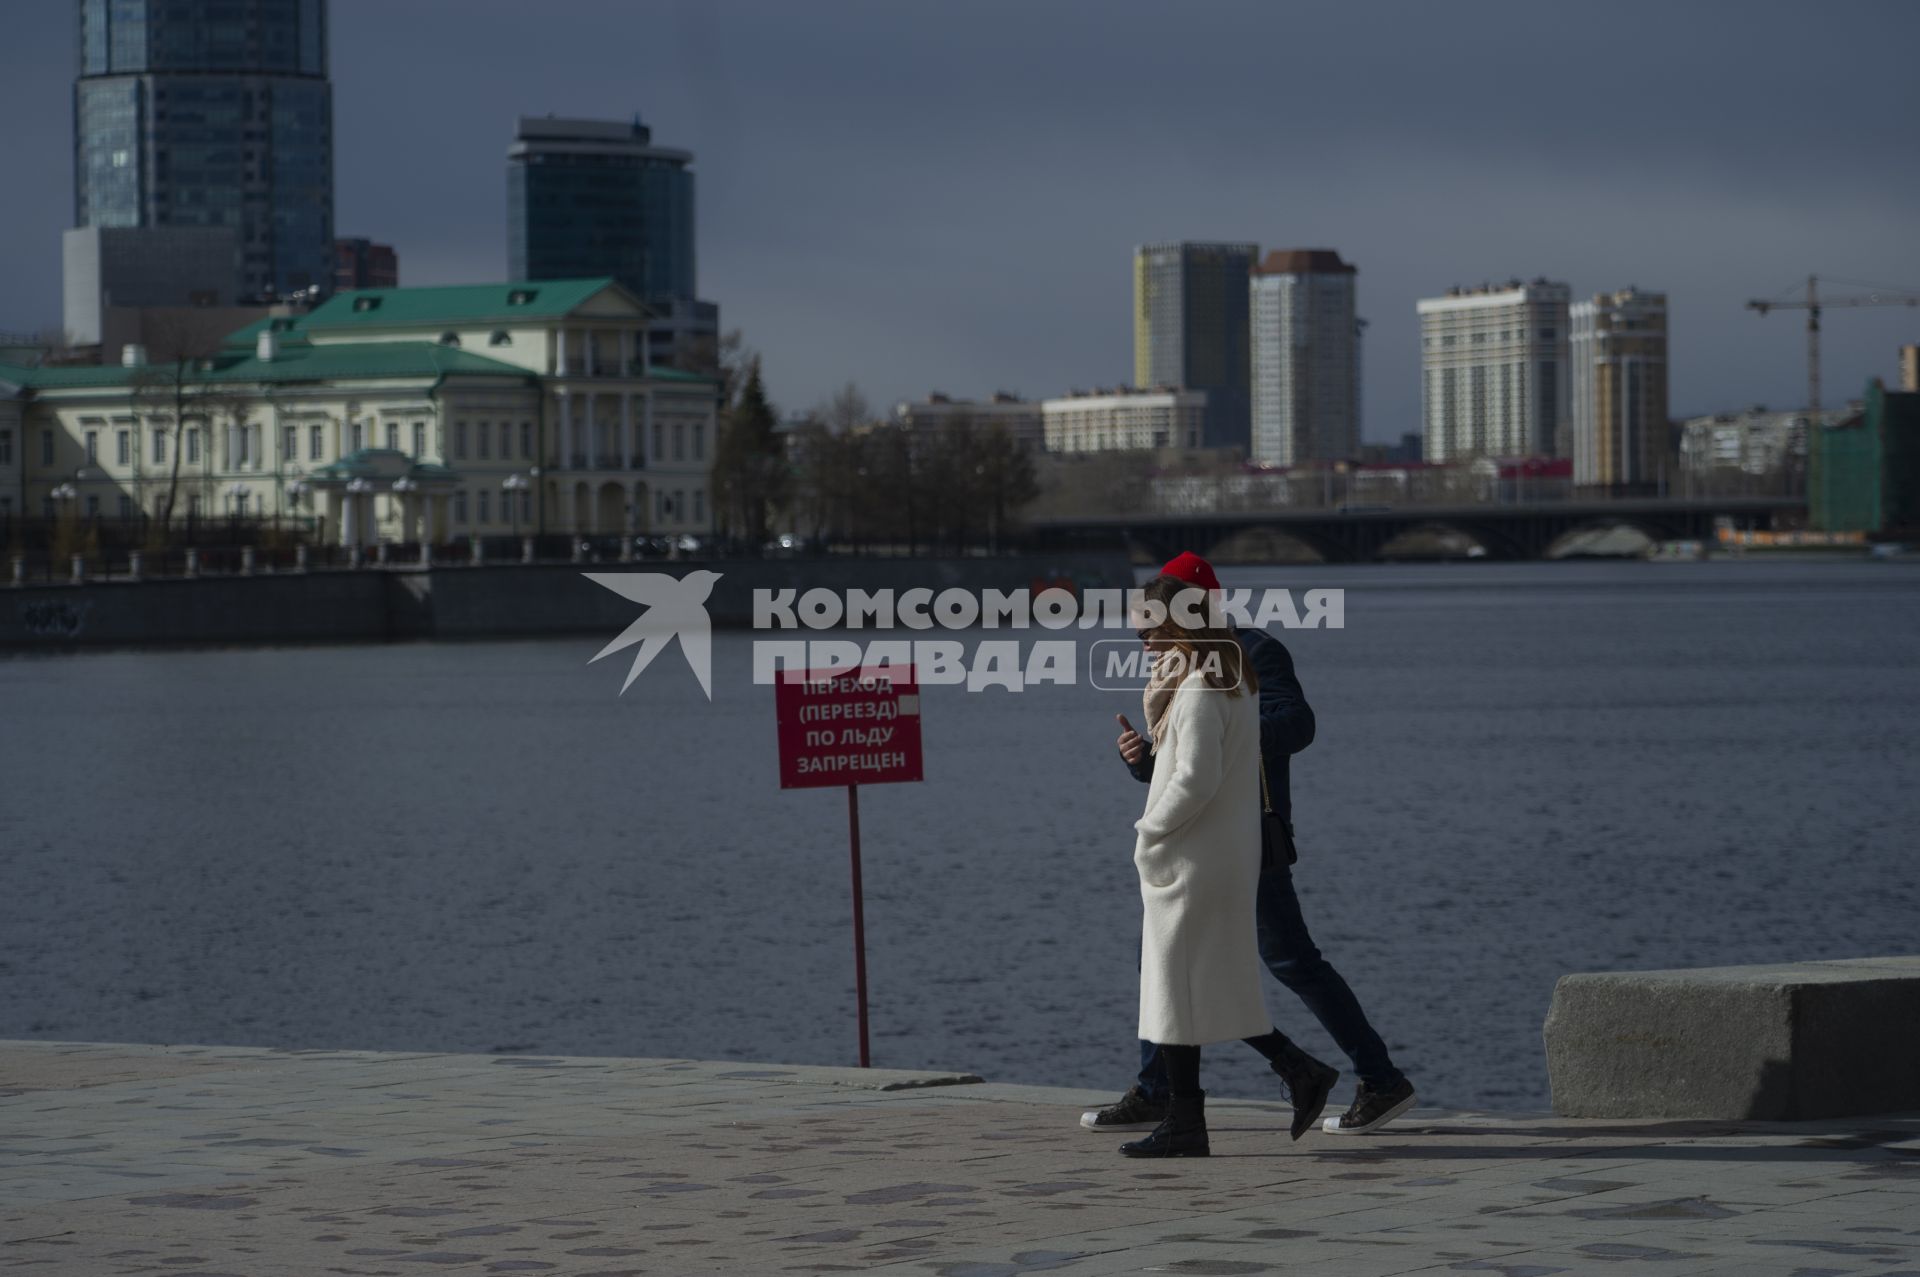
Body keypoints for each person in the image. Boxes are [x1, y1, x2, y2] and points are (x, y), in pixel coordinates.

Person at [1083, 551, 1418, 1138]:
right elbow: (1180, 763)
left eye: (1151, 622)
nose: (1141, 636)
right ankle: (1162, 1090)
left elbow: (1299, 725)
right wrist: (1143, 758)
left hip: (1245, 836)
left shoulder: (1254, 652)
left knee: (1289, 962)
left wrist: (1224, 731)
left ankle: (1378, 1078)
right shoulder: (1178, 669)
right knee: (1164, 958)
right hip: (1202, 836)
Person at [1116, 573, 1334, 1157]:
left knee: (1177, 981)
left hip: (1192, 854)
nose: (1140, 640)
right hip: (1215, 849)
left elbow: (1197, 777)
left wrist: (1149, 829)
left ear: (1177, 624)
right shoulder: (1227, 676)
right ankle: (1217, 1107)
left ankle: (1271, 1082)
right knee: (1193, 983)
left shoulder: (1199, 688)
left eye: (1147, 628)